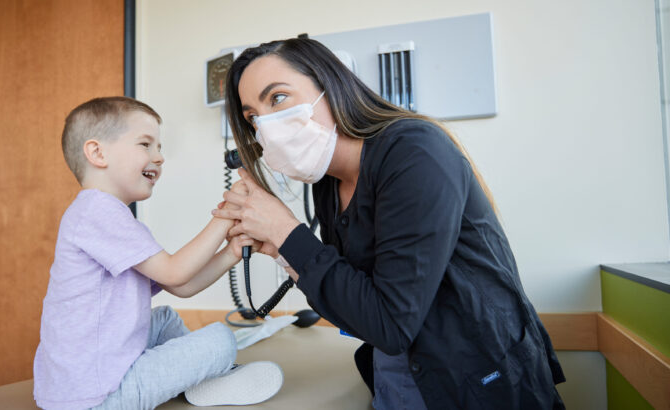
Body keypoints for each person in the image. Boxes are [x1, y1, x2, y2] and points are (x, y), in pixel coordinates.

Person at [212, 38, 566, 409]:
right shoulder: (329, 183)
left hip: (476, 382)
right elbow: (359, 307)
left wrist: (287, 231)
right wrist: (288, 255)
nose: (266, 126)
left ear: (330, 86)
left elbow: (391, 324)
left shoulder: (414, 152)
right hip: (399, 378)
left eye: (278, 98)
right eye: (253, 117)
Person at [33, 96, 282, 410]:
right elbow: (175, 272)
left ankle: (202, 378)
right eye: (145, 144)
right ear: (98, 153)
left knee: (163, 319)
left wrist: (232, 251)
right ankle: (208, 376)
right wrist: (226, 217)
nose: (159, 157)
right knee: (221, 339)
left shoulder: (106, 216)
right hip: (96, 396)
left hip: (80, 381)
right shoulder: (97, 211)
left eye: (159, 147)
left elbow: (181, 286)